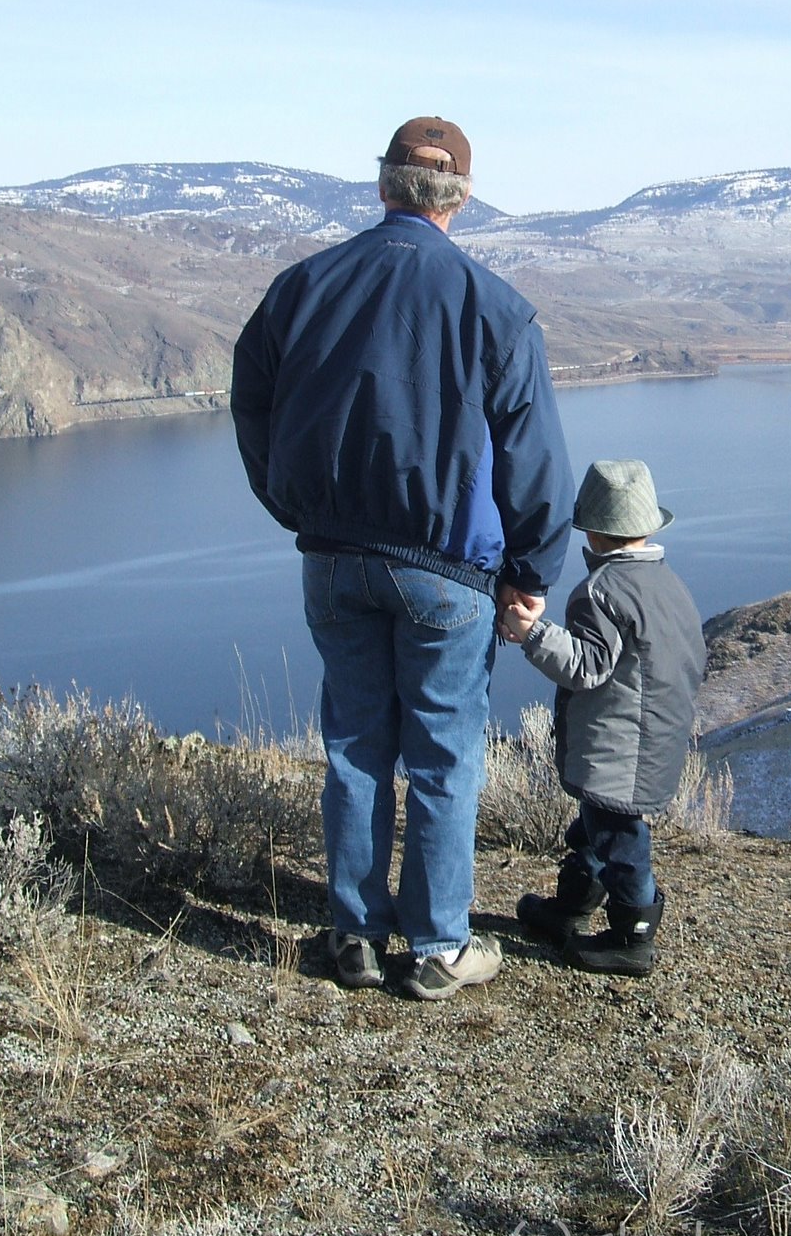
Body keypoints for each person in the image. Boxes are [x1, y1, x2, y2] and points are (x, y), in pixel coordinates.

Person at [231, 116, 574, 1000]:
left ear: (384, 184)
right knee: (445, 757)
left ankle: (352, 933)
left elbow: (253, 398)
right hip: (448, 571)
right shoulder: (493, 307)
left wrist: (292, 503)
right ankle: (435, 948)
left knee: (353, 748)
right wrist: (529, 574)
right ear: (458, 197)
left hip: (335, 558)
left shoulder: (305, 285)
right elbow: (536, 463)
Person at [500, 459, 705, 977]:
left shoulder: (600, 593)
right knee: (595, 828)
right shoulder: (670, 587)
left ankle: (632, 936)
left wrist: (533, 632)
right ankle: (568, 910)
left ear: (593, 532)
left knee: (618, 836)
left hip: (620, 748)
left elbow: (586, 668)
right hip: (654, 738)